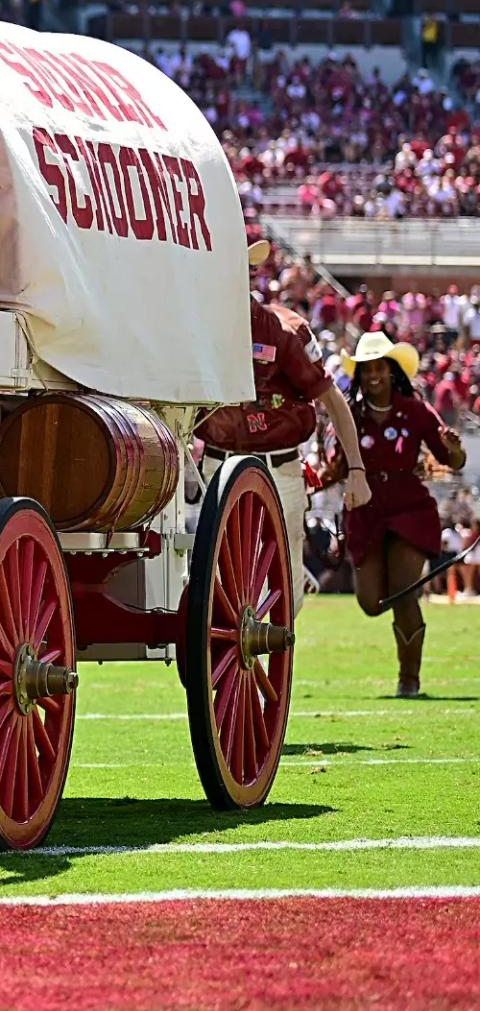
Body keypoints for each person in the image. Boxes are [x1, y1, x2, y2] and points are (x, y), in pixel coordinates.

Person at [197, 240, 370, 613]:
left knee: (285, 586)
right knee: (218, 581)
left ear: (248, 276)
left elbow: (331, 399)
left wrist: (356, 469)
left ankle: (284, 609)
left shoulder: (284, 330)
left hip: (279, 468)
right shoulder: (193, 329)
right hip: (216, 465)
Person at [336, 331, 467, 697]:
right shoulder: (350, 414)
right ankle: (408, 670)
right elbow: (337, 464)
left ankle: (409, 678)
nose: (373, 376)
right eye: (367, 370)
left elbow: (452, 459)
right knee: (370, 603)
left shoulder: (415, 410)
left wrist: (455, 450)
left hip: (410, 511)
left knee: (403, 592)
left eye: (380, 368)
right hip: (365, 514)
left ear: (393, 371)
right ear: (359, 375)